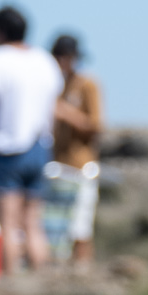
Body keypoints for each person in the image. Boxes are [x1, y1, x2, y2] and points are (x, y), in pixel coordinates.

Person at [0, 4, 63, 271]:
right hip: (39, 146)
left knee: (6, 222)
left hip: (5, 149)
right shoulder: (45, 61)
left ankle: (11, 284)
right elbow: (52, 110)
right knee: (33, 221)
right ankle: (39, 279)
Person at [43, 32, 103, 269]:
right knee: (55, 226)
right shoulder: (54, 85)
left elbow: (96, 125)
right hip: (57, 165)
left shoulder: (88, 85)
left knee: (81, 225)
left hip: (82, 167)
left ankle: (83, 269)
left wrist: (66, 113)